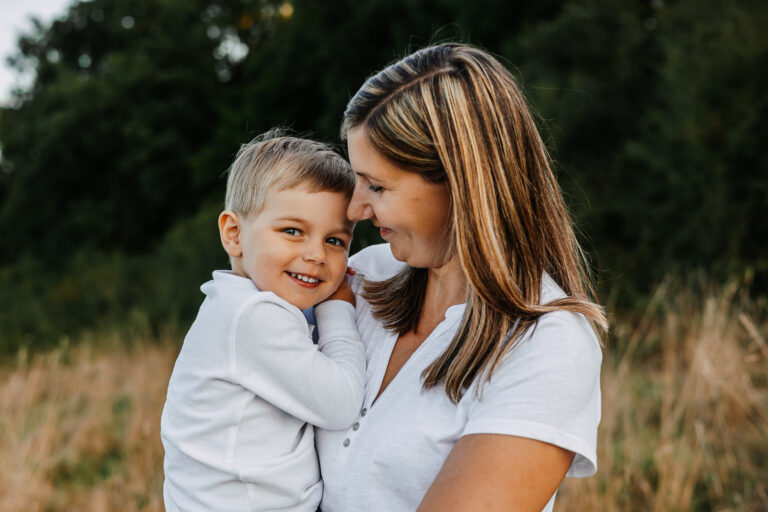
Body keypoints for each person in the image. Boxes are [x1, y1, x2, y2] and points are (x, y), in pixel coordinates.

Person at [316, 43, 608, 512]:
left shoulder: (545, 344)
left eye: (378, 186)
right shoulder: (360, 279)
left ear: (460, 182)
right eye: (357, 181)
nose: (355, 210)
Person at [160, 133, 366, 511]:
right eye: (293, 231)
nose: (316, 255)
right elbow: (341, 403)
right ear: (234, 235)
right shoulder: (252, 316)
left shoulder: (234, 304)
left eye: (336, 241)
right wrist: (338, 308)